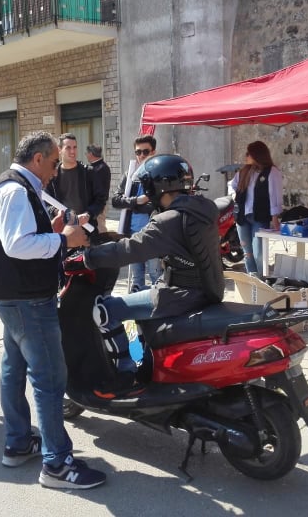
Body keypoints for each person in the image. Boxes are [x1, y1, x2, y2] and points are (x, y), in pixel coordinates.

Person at [0, 131, 107, 490]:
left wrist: (52, 230)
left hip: (16, 297)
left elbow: (18, 238)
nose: (55, 172)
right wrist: (64, 239)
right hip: (27, 299)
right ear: (37, 159)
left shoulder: (13, 187)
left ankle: (19, 442)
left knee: (14, 368)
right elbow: (18, 245)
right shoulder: (16, 190)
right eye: (53, 163)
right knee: (48, 377)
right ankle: (57, 464)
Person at [78, 154, 224, 395]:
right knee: (141, 296)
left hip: (180, 295)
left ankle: (126, 375)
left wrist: (88, 257)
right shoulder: (204, 209)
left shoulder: (169, 221)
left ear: (157, 186)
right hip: (208, 290)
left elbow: (131, 249)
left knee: (104, 310)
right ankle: (146, 362)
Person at [111, 135, 162, 292]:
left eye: (145, 152)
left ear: (153, 152)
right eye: (138, 152)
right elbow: (115, 200)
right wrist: (137, 201)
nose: (141, 155)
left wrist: (133, 205)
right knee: (136, 278)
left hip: (152, 233)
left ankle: (159, 304)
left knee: (155, 274)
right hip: (132, 233)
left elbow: (158, 204)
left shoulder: (159, 174)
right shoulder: (130, 174)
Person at [228, 141, 283, 276]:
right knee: (247, 253)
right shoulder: (244, 171)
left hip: (259, 216)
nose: (246, 156)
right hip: (242, 217)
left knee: (259, 253)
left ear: (257, 155)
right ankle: (252, 280)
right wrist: (234, 194)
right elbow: (231, 185)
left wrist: (275, 217)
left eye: (249, 154)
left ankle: (261, 280)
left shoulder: (272, 172)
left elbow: (275, 195)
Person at [46, 133, 106, 232]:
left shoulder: (89, 172)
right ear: (59, 150)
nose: (72, 151)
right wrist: (57, 212)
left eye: (75, 147)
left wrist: (88, 214)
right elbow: (46, 202)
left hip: (86, 229)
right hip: (63, 230)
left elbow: (100, 200)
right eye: (68, 148)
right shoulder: (52, 174)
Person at [86, 143, 111, 233]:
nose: (86, 155)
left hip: (98, 205)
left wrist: (96, 207)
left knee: (100, 228)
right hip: (99, 204)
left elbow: (99, 190)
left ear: (91, 154)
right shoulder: (102, 166)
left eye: (86, 153)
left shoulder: (98, 169)